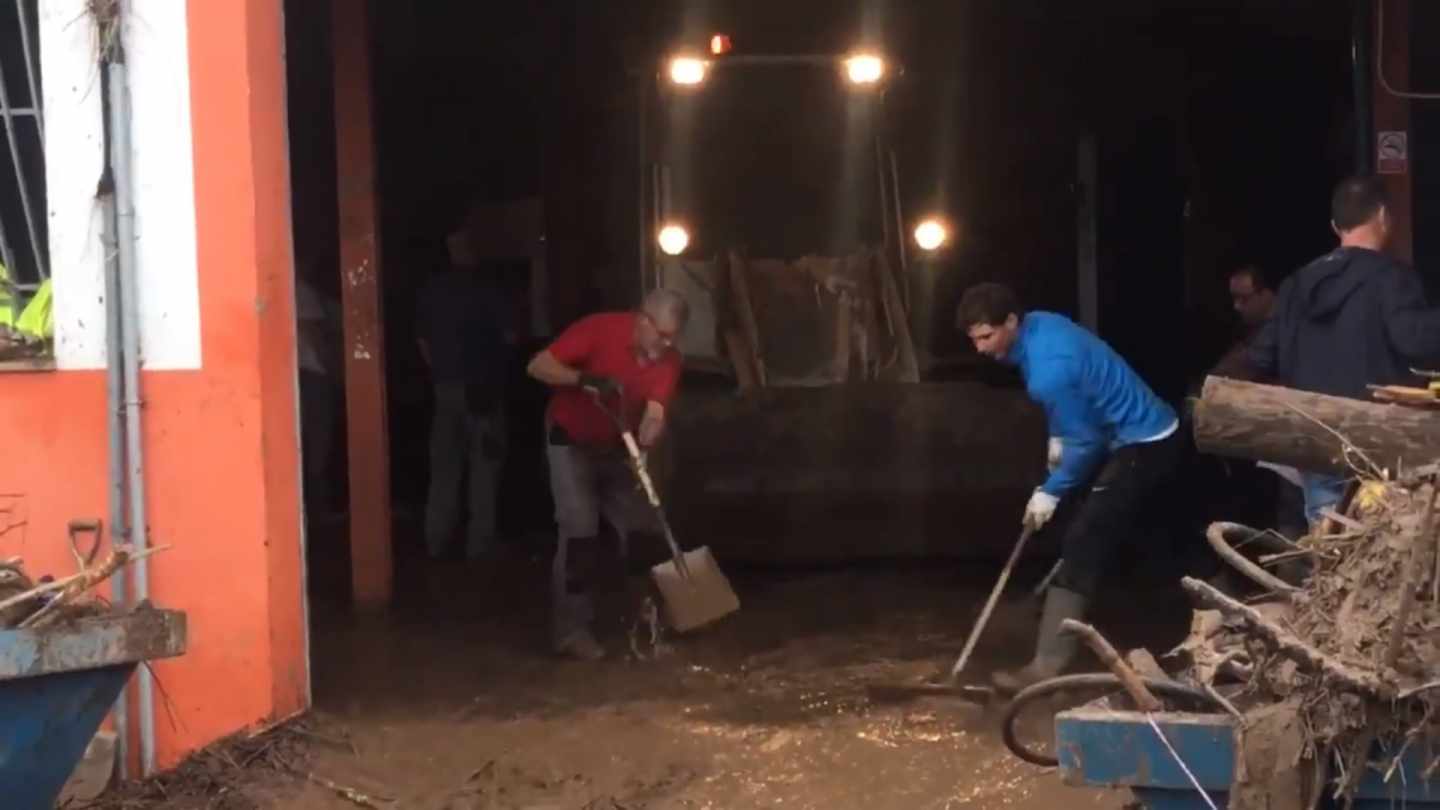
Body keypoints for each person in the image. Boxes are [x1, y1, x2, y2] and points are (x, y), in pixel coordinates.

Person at [956, 283, 1183, 692]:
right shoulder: (1039, 327)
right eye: (973, 340)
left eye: (986, 337)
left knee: (1083, 539)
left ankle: (1046, 665)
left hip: (1144, 441)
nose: (980, 349)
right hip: (1121, 434)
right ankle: (1147, 614)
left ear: (1011, 322)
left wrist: (1052, 489)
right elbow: (1076, 416)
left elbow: (1087, 441)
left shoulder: (1049, 370)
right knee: (1093, 525)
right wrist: (1057, 440)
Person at [1249, 175, 1440, 524]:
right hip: (1377, 440)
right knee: (1380, 552)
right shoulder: (1393, 279)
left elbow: (1262, 355)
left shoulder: (1295, 285)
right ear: (1383, 216)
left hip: (1315, 437)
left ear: (1336, 226)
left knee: (1330, 548)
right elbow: (1415, 340)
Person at [527, 288, 689, 660]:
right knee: (580, 530)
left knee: (642, 531)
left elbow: (655, 411)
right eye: (661, 335)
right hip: (570, 442)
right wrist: (584, 380)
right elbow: (537, 366)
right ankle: (572, 631)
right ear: (642, 320)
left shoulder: (669, 360)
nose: (666, 344)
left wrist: (648, 439)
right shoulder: (599, 330)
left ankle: (648, 624)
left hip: (619, 446)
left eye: (672, 338)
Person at [417, 233, 511, 560]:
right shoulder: (488, 290)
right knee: (483, 470)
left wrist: (442, 372)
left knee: (444, 469)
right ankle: (480, 547)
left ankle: (436, 542)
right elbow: (510, 336)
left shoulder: (433, 291)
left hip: (445, 389)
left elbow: (424, 343)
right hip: (482, 390)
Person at [1210, 264, 1276, 381]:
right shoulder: (1248, 327)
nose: (1236, 306)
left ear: (1266, 295)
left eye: (1244, 298)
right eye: (1234, 298)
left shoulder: (1282, 332)